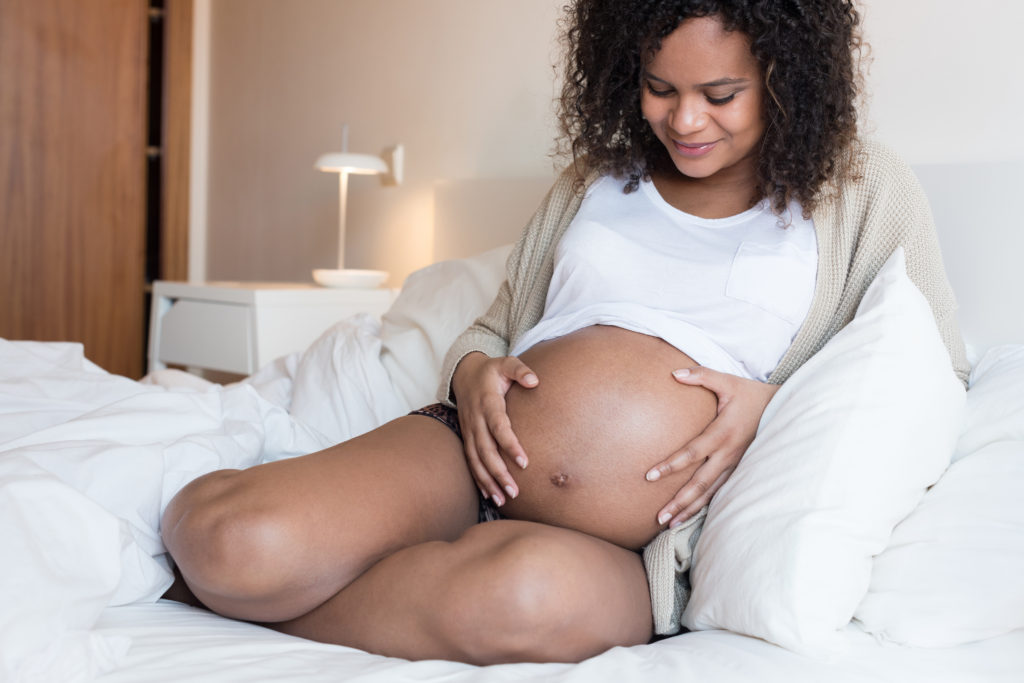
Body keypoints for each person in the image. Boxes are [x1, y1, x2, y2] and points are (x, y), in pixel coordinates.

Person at [160, 0, 968, 665]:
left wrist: (773, 405)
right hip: (470, 457)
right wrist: (473, 366)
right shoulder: (598, 178)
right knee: (230, 538)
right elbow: (494, 322)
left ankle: (261, 609)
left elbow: (927, 375)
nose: (685, 120)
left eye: (721, 94)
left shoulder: (860, 188)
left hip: (636, 547)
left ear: (786, 77)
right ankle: (252, 584)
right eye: (659, 88)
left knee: (522, 601)